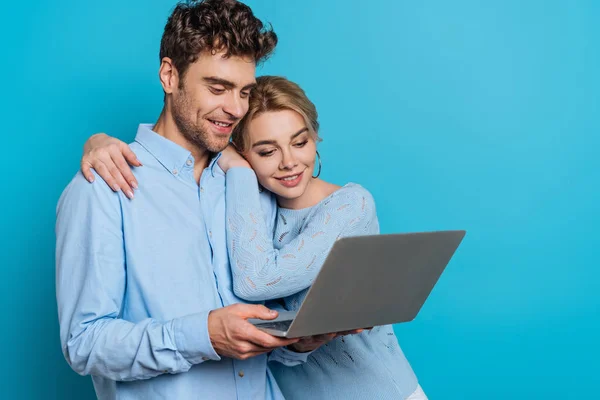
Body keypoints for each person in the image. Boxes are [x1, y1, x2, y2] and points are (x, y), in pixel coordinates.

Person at [81, 76, 428, 399]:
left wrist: (242, 171)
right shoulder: (252, 210)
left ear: (315, 138)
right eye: (266, 151)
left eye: (300, 142)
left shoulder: (350, 206)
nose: (289, 162)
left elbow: (256, 281)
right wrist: (97, 141)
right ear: (243, 149)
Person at [55, 2, 328, 399]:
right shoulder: (103, 186)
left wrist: (300, 342)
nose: (235, 109)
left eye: (244, 92)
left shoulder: (249, 182)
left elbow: (263, 336)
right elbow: (83, 343)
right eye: (217, 88)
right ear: (170, 75)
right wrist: (204, 336)